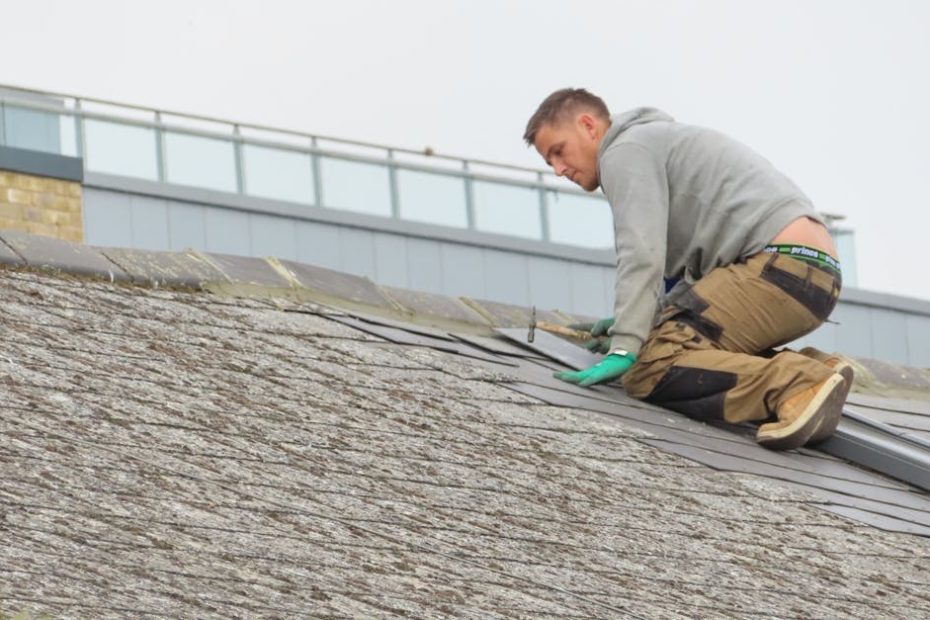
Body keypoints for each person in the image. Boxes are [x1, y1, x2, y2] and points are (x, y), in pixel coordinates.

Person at [524, 88, 852, 451]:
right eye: (548, 161)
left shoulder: (624, 151)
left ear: (588, 126)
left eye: (558, 151)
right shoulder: (655, 143)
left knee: (650, 366)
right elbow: (680, 281)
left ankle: (796, 383)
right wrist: (640, 321)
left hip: (778, 267)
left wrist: (626, 346)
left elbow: (641, 252)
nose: (557, 170)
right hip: (813, 274)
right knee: (674, 340)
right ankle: (818, 371)